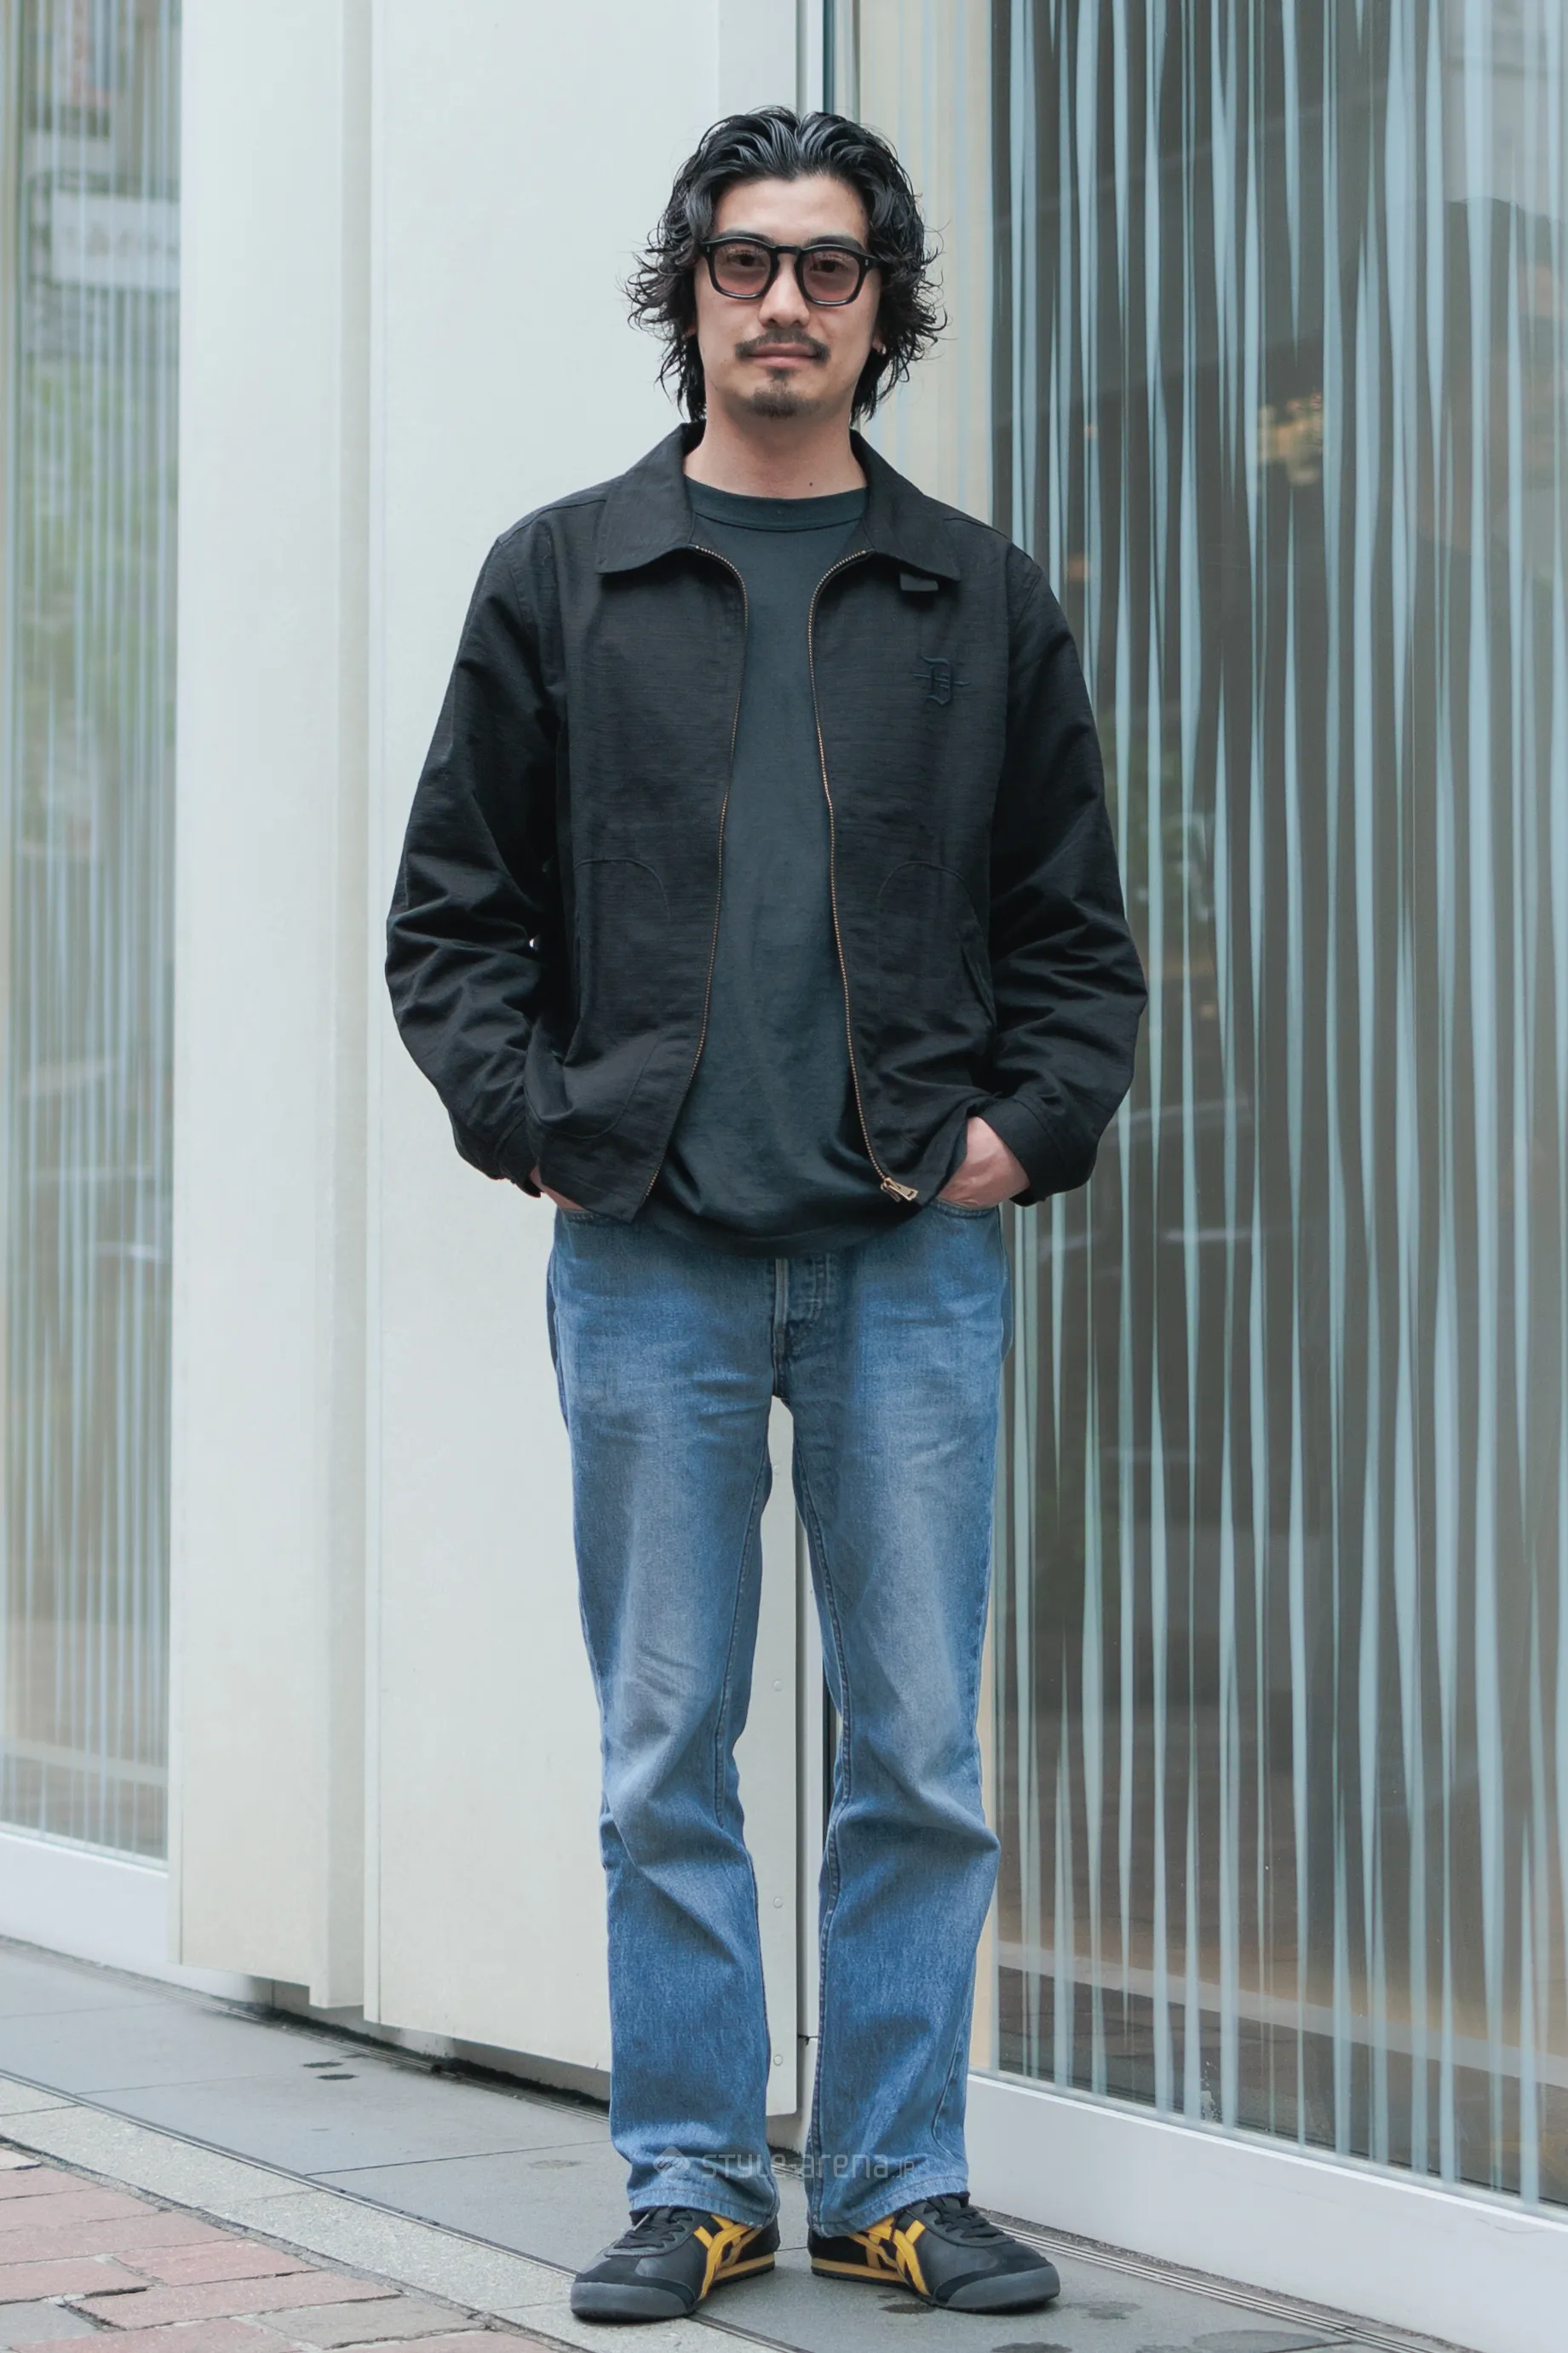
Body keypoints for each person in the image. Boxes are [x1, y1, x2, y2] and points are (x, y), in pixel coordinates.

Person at [386, 106, 1146, 2327]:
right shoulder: (565, 577)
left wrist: (1026, 1131)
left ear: (882, 307)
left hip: (913, 1251)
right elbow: (452, 916)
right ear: (689, 291)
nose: (784, 303)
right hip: (652, 1253)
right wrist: (536, 1123)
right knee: (664, 1749)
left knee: (918, 1751)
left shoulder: (976, 596)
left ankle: (897, 2181)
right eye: (746, 263)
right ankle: (697, 2177)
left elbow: (1075, 935)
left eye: (828, 267)